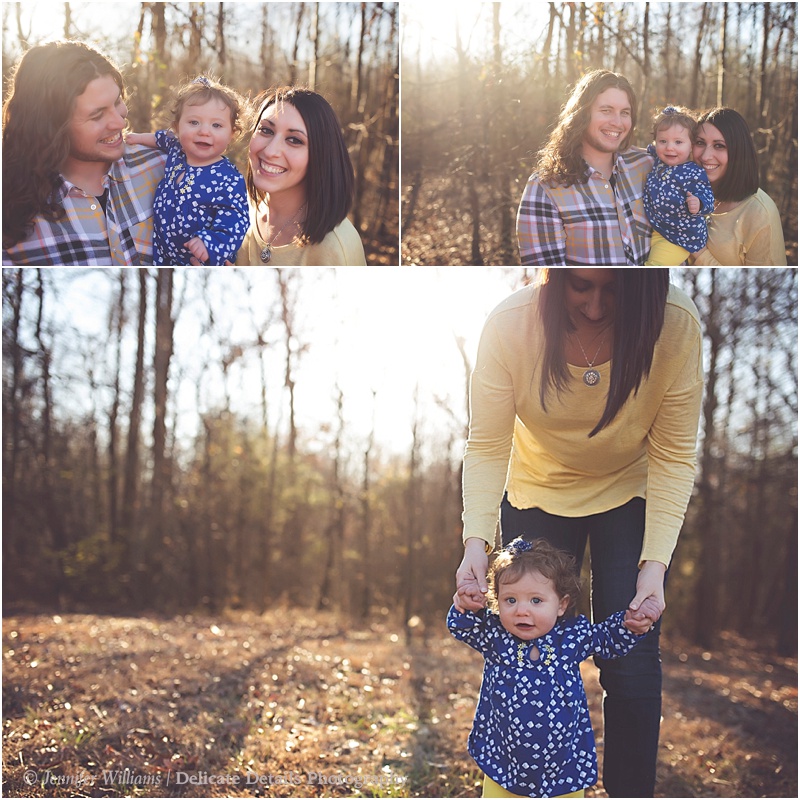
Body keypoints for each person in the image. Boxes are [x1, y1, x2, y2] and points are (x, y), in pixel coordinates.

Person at [455, 269, 704, 798]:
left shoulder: (675, 325)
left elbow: (676, 454)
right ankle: (518, 775)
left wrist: (653, 567)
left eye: (612, 289)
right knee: (524, 643)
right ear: (554, 278)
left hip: (628, 495)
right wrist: (475, 543)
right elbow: (487, 444)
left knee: (632, 664)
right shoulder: (510, 325)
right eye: (579, 287)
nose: (594, 306)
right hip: (537, 492)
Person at [449, 537, 654, 799]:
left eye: (536, 601)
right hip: (504, 761)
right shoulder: (494, 636)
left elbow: (605, 639)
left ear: (561, 605)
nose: (522, 610)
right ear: (496, 600)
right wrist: (465, 604)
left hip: (562, 767)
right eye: (510, 600)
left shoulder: (570, 638)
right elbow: (461, 626)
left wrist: (629, 625)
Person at [2, 40, 166, 265]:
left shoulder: (164, 166)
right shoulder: (11, 211)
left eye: (117, 101)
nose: (119, 122)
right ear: (51, 126)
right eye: (97, 115)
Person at [516, 70, 652, 266]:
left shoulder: (647, 165)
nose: (617, 122)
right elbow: (551, 276)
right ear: (582, 114)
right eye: (606, 110)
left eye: (625, 113)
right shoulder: (545, 188)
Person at [234, 86, 366, 265]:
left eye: (294, 140)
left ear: (321, 155)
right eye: (266, 130)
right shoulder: (236, 210)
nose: (271, 150)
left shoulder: (335, 246)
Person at [126, 75, 249, 266]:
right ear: (177, 127)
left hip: (199, 259)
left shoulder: (229, 178)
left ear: (232, 133)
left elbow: (235, 220)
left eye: (216, 125)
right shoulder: (176, 150)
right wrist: (138, 138)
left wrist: (209, 242)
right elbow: (161, 139)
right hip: (163, 253)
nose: (204, 131)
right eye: (194, 122)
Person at [690, 107, 787, 265]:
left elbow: (760, 280)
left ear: (738, 151)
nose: (705, 156)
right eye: (700, 143)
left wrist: (698, 252)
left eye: (719, 145)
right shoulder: (689, 188)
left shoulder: (760, 213)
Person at [643, 106, 714, 266]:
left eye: (678, 142)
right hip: (659, 230)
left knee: (653, 267)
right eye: (663, 141)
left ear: (692, 146)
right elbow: (649, 151)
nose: (669, 147)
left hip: (681, 237)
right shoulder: (659, 161)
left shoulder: (693, 172)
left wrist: (699, 203)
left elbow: (708, 196)